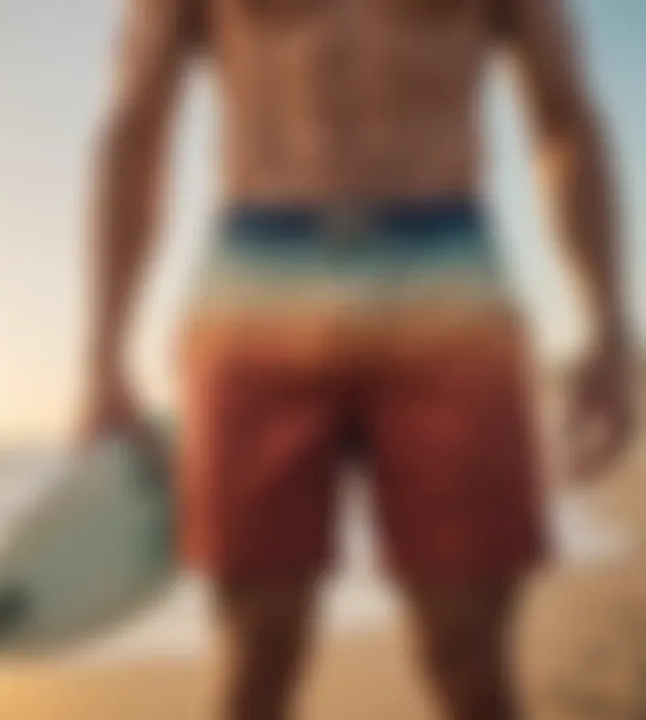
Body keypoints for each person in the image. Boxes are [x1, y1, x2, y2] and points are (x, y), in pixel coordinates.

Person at [82, 0, 634, 717]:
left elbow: (566, 121)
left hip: (446, 281)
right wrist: (103, 355)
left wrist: (609, 327)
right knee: (258, 646)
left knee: (470, 651)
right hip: (261, 284)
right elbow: (136, 124)